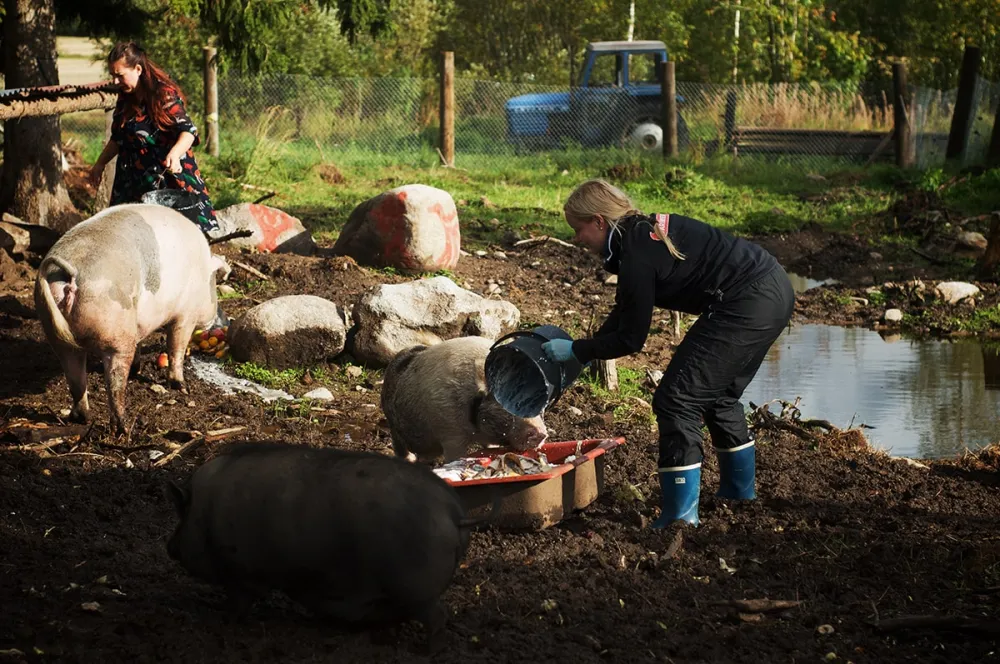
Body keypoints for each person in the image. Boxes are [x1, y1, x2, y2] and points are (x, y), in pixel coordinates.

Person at [541, 179, 795, 527]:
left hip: (747, 300)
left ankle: (679, 516)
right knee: (717, 397)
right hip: (772, 288)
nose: (577, 239)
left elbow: (631, 339)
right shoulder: (638, 236)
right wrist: (581, 354)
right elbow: (625, 311)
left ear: (599, 221)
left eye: (578, 229)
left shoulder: (637, 253)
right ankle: (739, 494)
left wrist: (577, 349)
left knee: (677, 400)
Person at [88, 41, 219, 233]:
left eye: (120, 75)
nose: (115, 81)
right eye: (113, 75)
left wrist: (174, 154)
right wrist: (99, 164)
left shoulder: (163, 94)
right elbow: (118, 138)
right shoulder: (125, 97)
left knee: (177, 235)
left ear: (138, 69)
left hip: (166, 177)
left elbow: (188, 132)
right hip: (132, 181)